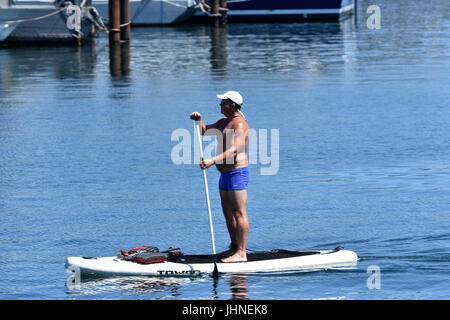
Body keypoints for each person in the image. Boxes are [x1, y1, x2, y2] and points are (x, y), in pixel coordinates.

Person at [190, 91, 250, 263]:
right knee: (228, 213)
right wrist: (198, 120)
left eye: (223, 103)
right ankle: (234, 246)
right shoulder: (224, 122)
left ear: (232, 105)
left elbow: (234, 150)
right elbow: (204, 132)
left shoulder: (239, 125)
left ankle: (242, 252)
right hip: (224, 175)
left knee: (239, 212)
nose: (220, 106)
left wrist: (212, 161)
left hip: (236, 173)